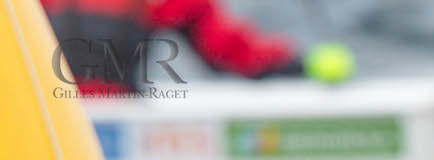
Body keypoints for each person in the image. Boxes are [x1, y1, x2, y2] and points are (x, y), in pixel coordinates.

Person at [43, 0, 303, 94]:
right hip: (111, 126)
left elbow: (227, 48)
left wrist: (285, 61)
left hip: (57, 122)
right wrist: (287, 60)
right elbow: (229, 51)